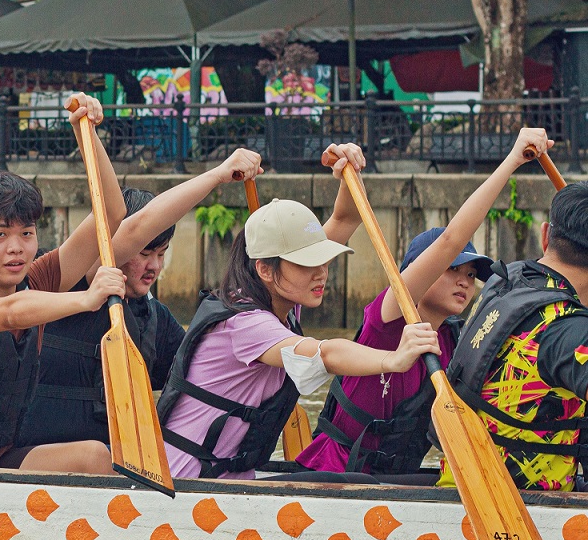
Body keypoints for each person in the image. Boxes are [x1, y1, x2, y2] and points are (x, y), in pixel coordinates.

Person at [0, 93, 262, 474]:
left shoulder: (38, 279)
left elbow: (114, 213)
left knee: (95, 455)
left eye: (26, 234)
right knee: (92, 455)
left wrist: (85, 132)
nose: (16, 249)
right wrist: (88, 299)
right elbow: (10, 314)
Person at [157, 145, 442, 481]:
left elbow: (346, 218)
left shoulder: (284, 300)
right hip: (185, 482)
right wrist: (393, 360)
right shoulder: (246, 325)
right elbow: (327, 353)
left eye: (322, 260)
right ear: (264, 269)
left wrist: (348, 172)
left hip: (229, 481)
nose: (321, 273)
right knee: (349, 483)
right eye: (307, 264)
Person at [297, 129, 548, 481]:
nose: (465, 281)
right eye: (452, 269)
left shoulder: (454, 342)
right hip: (334, 473)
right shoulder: (388, 318)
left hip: (394, 479)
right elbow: (449, 241)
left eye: (471, 274)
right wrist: (512, 161)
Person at [444, 179, 588, 492]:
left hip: (458, 479)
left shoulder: (504, 280)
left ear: (546, 234)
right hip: (517, 507)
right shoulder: (568, 329)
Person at [18, 187, 185, 447]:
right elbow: (132, 230)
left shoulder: (157, 319)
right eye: (144, 253)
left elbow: (198, 377)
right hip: (34, 453)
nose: (154, 266)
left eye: (161, 254)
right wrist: (219, 174)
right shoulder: (66, 282)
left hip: (113, 464)